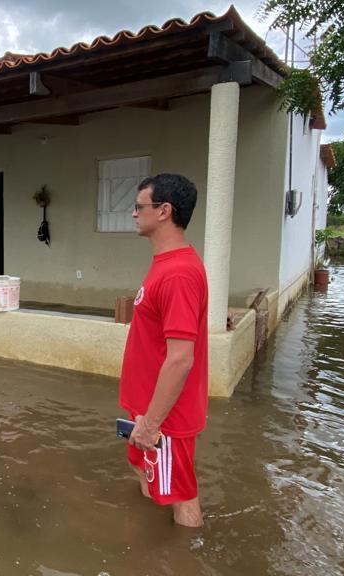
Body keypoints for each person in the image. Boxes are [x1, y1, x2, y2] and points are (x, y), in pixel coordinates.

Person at [120, 173, 208, 528]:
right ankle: (149, 548)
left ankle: (185, 557)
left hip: (166, 416)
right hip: (146, 407)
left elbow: (181, 358)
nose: (133, 214)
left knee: (180, 495)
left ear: (164, 211)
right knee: (144, 472)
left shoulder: (178, 274)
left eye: (139, 206)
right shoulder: (167, 265)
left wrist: (152, 423)